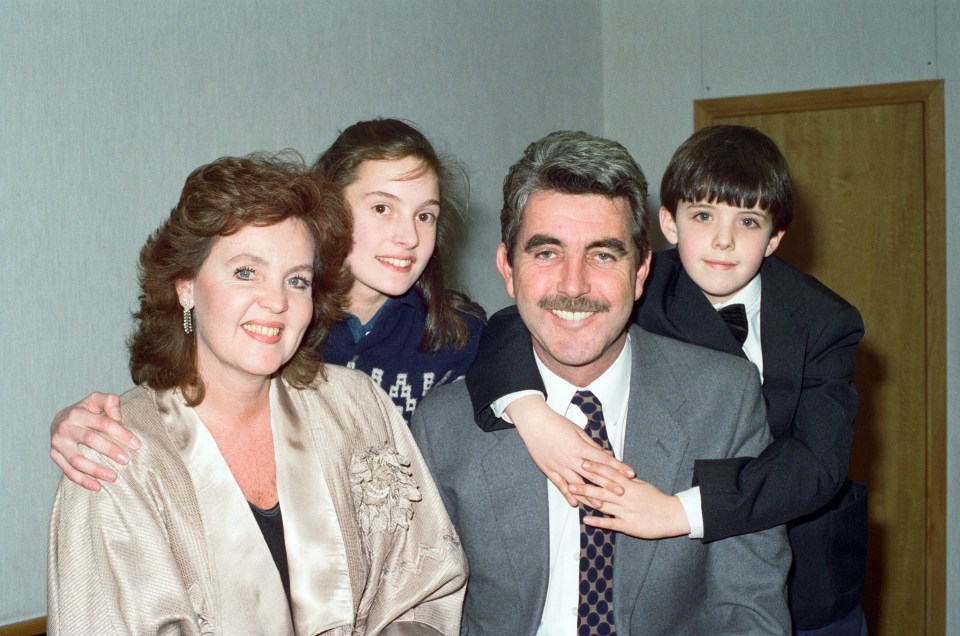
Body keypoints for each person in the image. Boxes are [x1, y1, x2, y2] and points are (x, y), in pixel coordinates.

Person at [465, 126, 867, 634]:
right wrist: (529, 411)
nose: (723, 240)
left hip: (807, 562)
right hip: (687, 570)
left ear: (775, 239)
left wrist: (678, 511)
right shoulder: (638, 281)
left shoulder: (824, 320)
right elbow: (521, 319)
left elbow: (818, 462)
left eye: (748, 221)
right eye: (703, 216)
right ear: (669, 225)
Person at [47, 153, 467, 635]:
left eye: (296, 280)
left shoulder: (358, 408)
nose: (276, 301)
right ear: (185, 287)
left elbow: (424, 591)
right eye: (246, 272)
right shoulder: (114, 457)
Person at [47, 119, 485, 492]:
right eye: (382, 208)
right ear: (332, 208)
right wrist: (76, 424)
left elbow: (525, 352)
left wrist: (525, 405)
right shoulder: (274, 331)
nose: (409, 236)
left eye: (425, 215)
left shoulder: (458, 334)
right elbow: (177, 413)